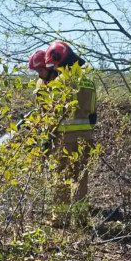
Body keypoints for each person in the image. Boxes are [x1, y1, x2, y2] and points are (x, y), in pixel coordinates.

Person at [28, 41, 97, 226]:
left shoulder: (59, 83)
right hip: (87, 138)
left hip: (65, 139)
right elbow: (92, 114)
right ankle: (81, 220)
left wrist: (46, 139)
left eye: (55, 65)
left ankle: (60, 220)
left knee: (61, 179)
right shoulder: (89, 81)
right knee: (81, 179)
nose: (54, 69)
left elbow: (53, 115)